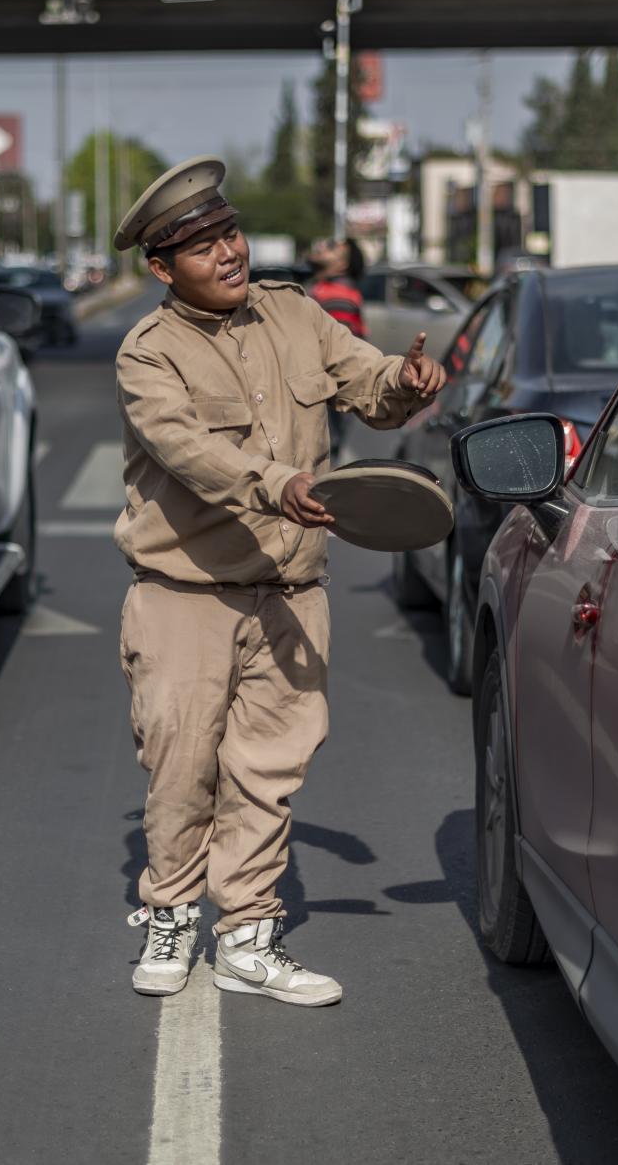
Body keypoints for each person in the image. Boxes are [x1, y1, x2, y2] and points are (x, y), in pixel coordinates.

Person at [113, 158, 445, 1007]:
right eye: (200, 245)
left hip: (292, 592)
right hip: (186, 593)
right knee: (183, 766)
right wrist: (275, 483)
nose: (227, 253)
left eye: (229, 232)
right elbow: (189, 450)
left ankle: (248, 936)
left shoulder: (296, 313)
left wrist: (402, 387)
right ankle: (172, 912)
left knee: (270, 766)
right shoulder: (147, 355)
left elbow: (363, 382)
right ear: (161, 267)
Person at [305, 238, 368, 454]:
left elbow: (337, 356)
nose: (320, 245)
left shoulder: (338, 296)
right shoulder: (325, 289)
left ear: (342, 265)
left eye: (330, 247)